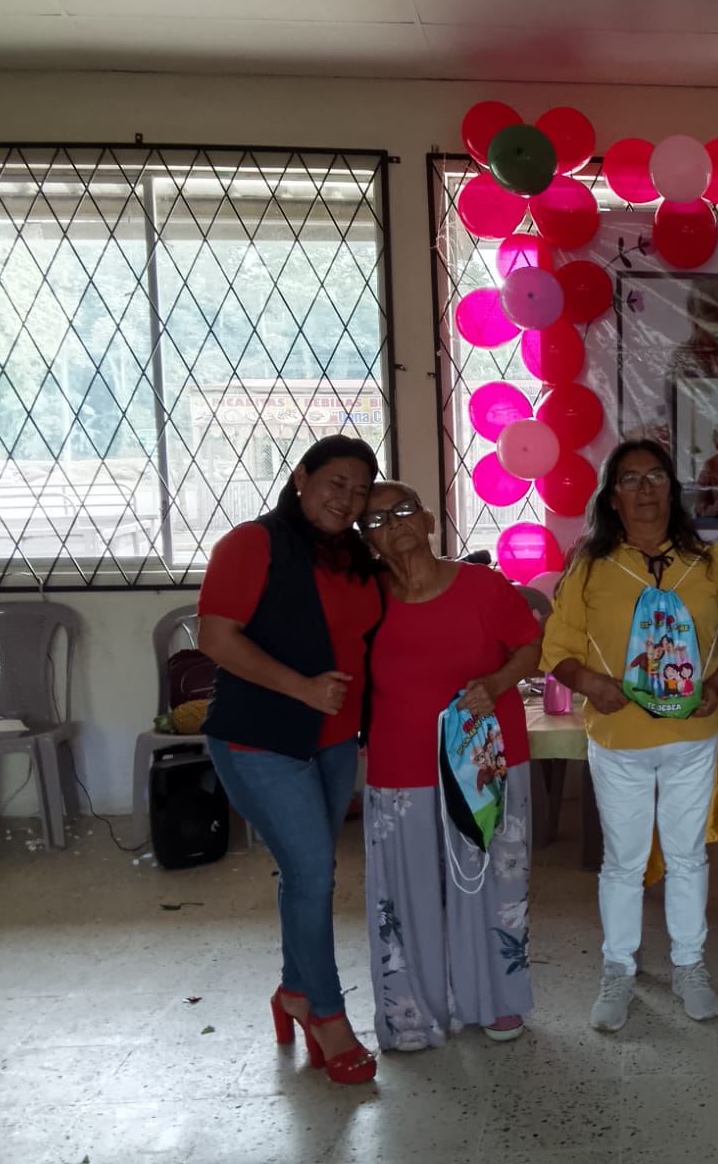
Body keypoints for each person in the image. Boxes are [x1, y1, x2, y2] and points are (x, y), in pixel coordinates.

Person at [197, 434, 383, 1085]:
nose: (347, 499)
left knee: (309, 873)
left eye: (360, 491)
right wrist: (301, 688)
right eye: (336, 482)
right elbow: (215, 638)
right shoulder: (252, 543)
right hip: (259, 739)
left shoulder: (351, 555)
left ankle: (295, 993)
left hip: (332, 739)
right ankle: (327, 1014)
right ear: (301, 477)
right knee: (312, 873)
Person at [540, 440, 718, 1032]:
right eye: (630, 479)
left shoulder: (709, 562)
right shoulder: (590, 566)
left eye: (656, 476)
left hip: (691, 737)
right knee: (624, 862)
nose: (645, 488)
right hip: (620, 739)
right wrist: (590, 683)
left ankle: (689, 964)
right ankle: (619, 968)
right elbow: (557, 648)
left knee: (687, 855)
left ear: (672, 489)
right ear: (612, 497)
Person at [359, 482, 542, 1051]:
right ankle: (412, 1014)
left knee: (492, 881)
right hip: (400, 762)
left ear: (430, 519)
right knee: (404, 890)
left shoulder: (484, 586)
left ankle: (496, 1000)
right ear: (365, 540)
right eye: (376, 520)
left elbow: (530, 647)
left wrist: (496, 682)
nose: (394, 524)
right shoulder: (365, 601)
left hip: (485, 758)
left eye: (404, 510)